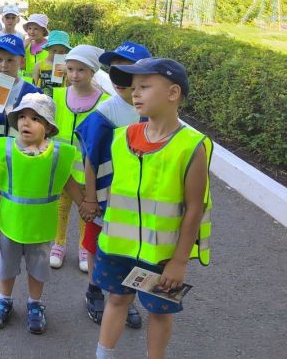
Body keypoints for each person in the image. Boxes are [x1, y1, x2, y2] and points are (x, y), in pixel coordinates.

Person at [94, 59, 212, 359]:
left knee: (159, 313)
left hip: (162, 257)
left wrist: (179, 262)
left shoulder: (190, 147)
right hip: (117, 248)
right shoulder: (121, 138)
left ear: (173, 93)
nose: (135, 94)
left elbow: (194, 209)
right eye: (133, 88)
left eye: (144, 87)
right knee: (117, 300)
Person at [0, 93, 85, 334]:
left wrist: (85, 205)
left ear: (49, 127)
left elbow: (69, 183)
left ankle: (35, 304)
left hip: (40, 228)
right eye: (22, 117)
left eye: (35, 118)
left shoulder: (58, 155)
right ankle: (4, 300)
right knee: (7, 266)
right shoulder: (6, 150)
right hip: (10, 224)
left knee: (38, 269)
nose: (26, 123)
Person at [74, 42, 152, 329]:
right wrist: (90, 199)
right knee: (96, 243)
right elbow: (90, 160)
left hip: (139, 202)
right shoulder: (106, 113)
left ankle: (123, 297)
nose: (120, 79)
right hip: (106, 199)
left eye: (127, 72)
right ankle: (95, 290)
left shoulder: (152, 112)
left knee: (132, 249)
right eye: (115, 70)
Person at [0, 35, 42, 251]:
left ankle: (10, 228)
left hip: (18, 151)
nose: (4, 65)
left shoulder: (32, 92)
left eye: (10, 60)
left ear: (21, 61)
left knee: (12, 191)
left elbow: (40, 123)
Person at [50, 45, 109, 271]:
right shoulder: (58, 95)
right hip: (61, 170)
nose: (74, 75)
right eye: (71, 69)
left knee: (87, 210)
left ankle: (85, 248)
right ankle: (59, 244)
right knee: (61, 208)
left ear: (93, 72)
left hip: (88, 174)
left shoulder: (103, 102)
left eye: (81, 70)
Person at [31, 30, 71, 97]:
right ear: (48, 48)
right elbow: (33, 83)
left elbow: (70, 87)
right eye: (54, 50)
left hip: (58, 98)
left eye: (61, 51)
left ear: (65, 52)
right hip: (42, 98)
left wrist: (68, 72)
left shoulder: (67, 67)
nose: (57, 54)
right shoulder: (39, 64)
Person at [22, 13, 50, 78]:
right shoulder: (26, 44)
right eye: (29, 28)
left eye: (36, 29)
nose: (32, 32)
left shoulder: (49, 46)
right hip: (27, 84)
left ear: (43, 30)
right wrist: (22, 49)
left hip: (43, 84)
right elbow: (21, 67)